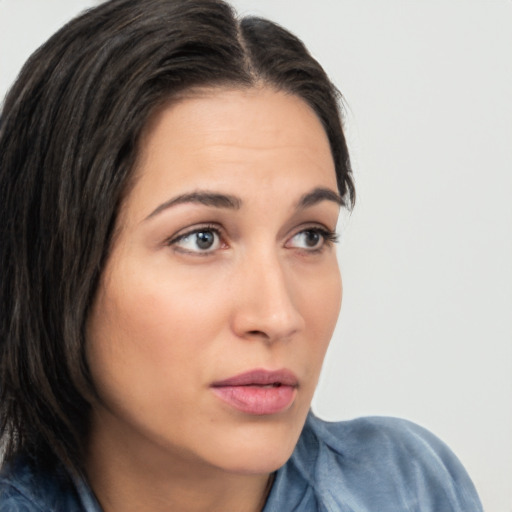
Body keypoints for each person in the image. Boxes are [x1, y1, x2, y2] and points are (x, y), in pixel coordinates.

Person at [0, 0, 483, 511]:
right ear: (51, 262)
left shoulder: (409, 487)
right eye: (201, 238)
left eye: (309, 236)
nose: (278, 316)